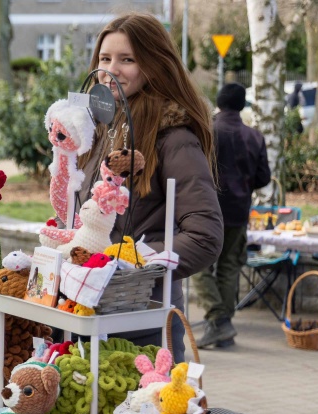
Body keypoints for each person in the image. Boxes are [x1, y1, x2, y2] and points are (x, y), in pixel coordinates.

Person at [75, 13, 224, 361]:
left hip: (145, 325)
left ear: (153, 65)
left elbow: (205, 235)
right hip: (90, 314)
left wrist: (126, 264)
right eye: (105, 58)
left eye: (128, 59)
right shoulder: (101, 128)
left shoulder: (174, 137)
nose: (113, 70)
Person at [194, 84, 271, 349]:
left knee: (200, 266)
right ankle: (222, 324)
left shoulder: (208, 130)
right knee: (229, 267)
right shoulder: (255, 137)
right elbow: (264, 178)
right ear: (242, 105)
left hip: (206, 209)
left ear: (219, 102)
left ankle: (218, 320)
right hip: (239, 211)